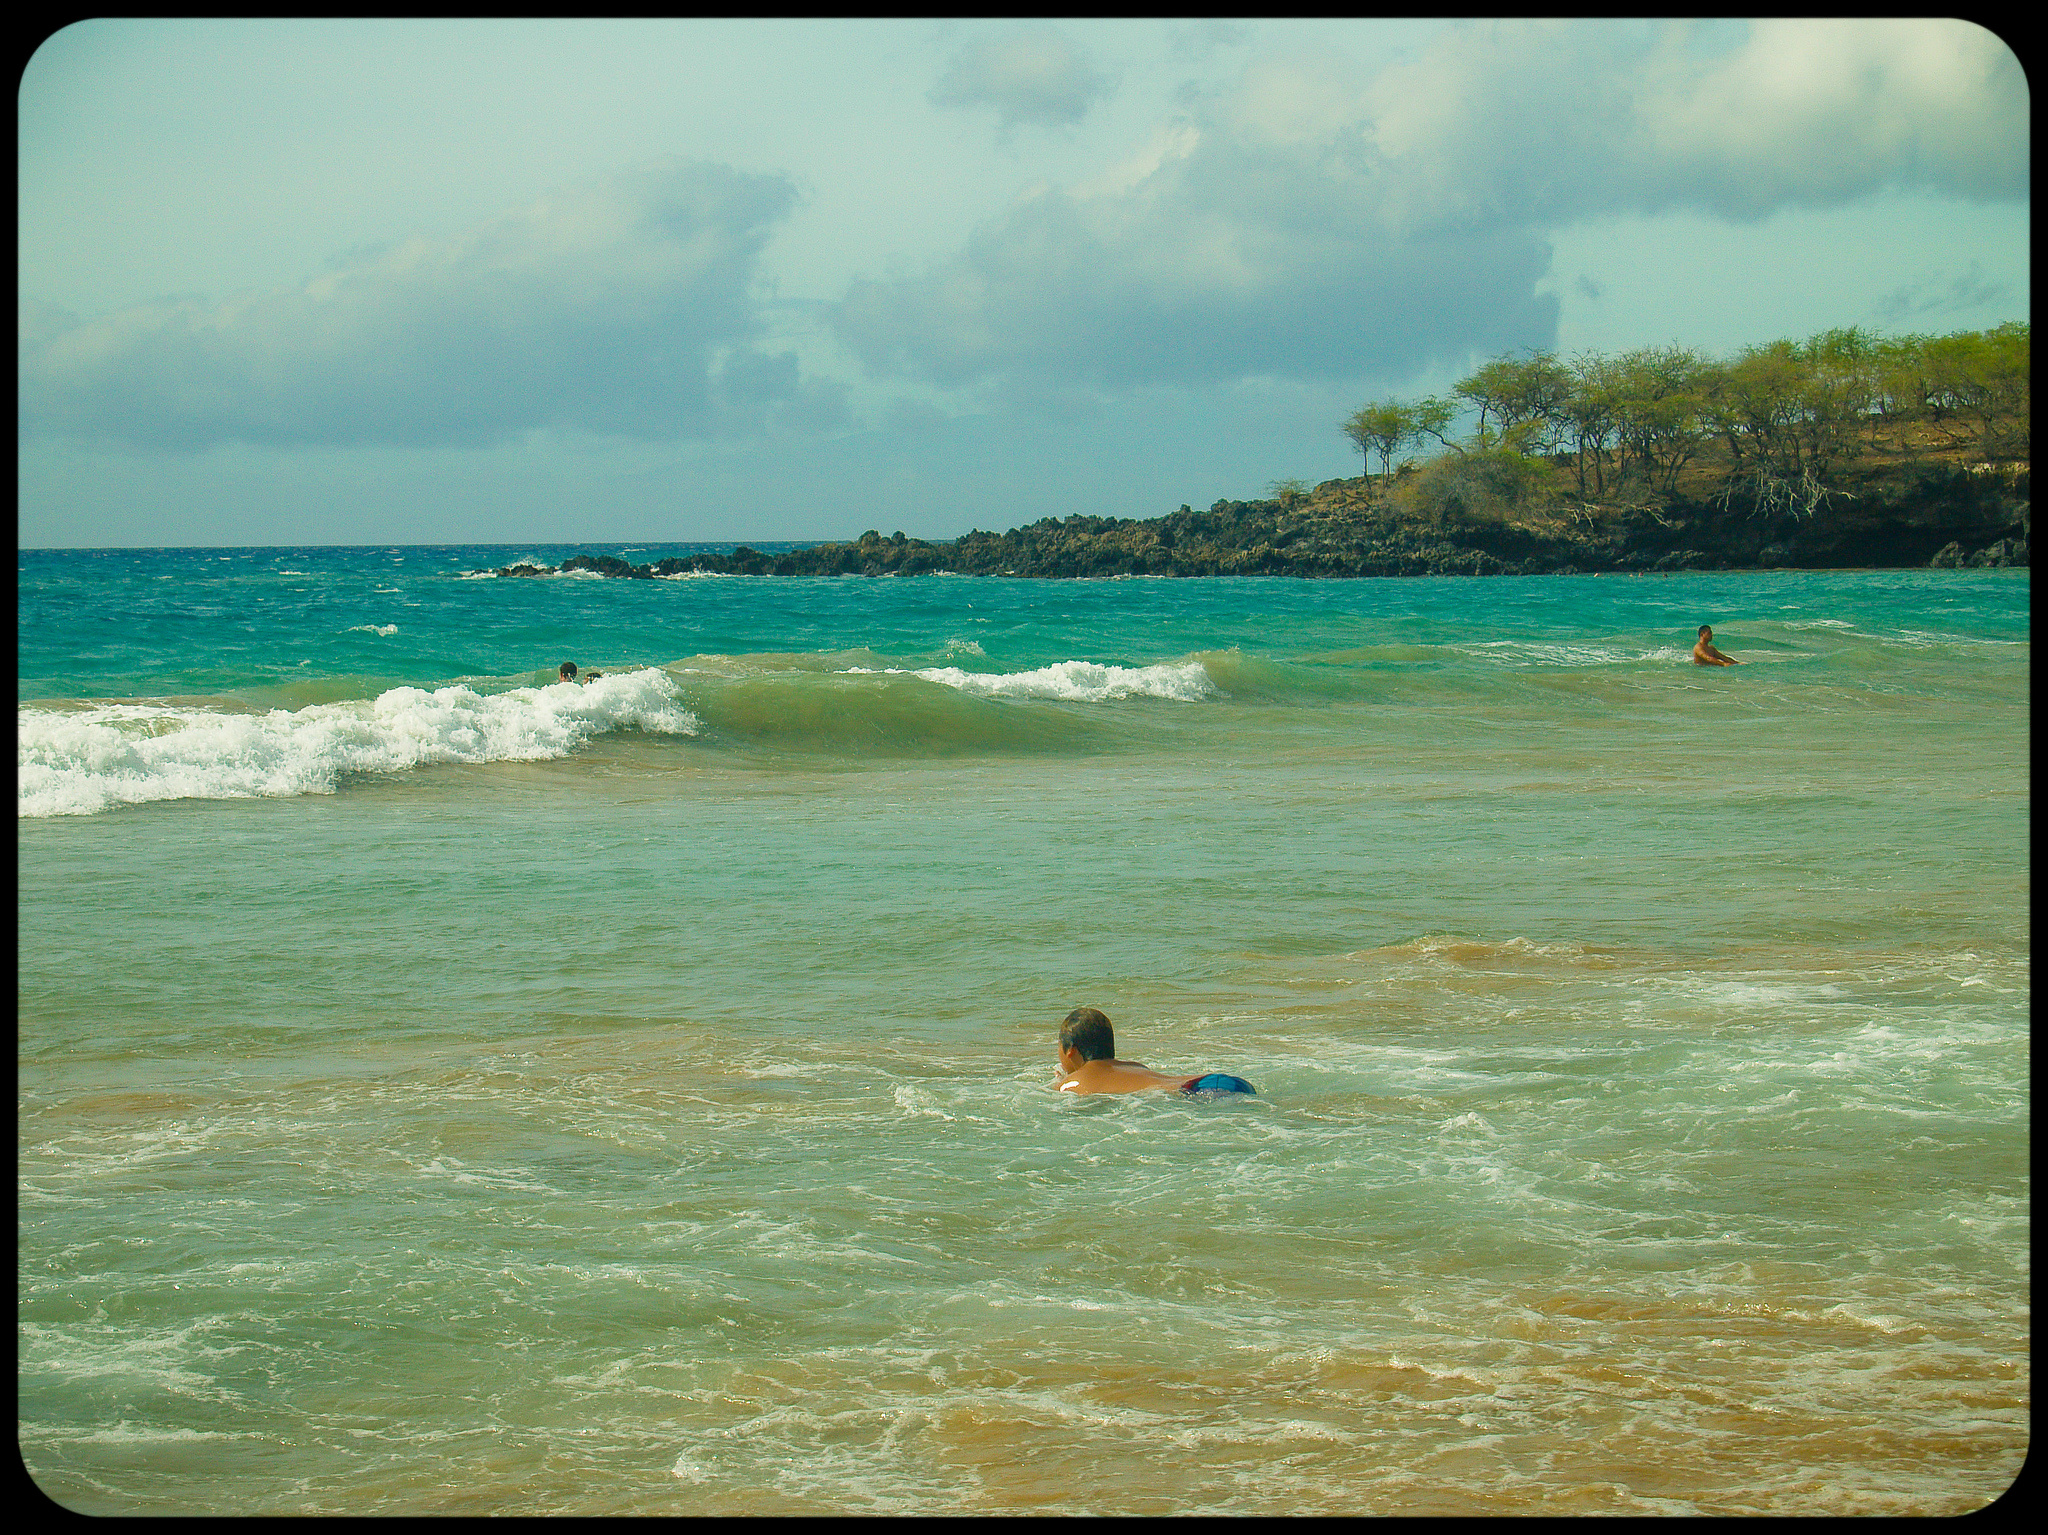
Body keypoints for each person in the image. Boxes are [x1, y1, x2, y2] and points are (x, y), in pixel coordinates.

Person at [1051, 1007, 1255, 1096]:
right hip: (1212, 1081)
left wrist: (1060, 1082)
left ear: (1071, 1050)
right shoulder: (1134, 1067)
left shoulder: (1071, 1084)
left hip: (1195, 1093)